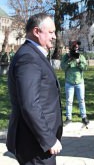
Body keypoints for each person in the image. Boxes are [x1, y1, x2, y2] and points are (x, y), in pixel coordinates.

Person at [6, 13, 63, 165]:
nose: (54, 36)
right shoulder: (29, 58)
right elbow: (30, 104)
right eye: (51, 32)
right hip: (35, 144)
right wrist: (49, 140)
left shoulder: (34, 54)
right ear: (37, 31)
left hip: (37, 143)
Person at [61, 40, 89, 126]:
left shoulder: (81, 57)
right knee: (69, 101)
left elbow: (85, 68)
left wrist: (78, 62)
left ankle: (84, 117)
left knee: (81, 100)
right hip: (69, 82)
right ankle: (68, 118)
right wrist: (69, 60)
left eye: (77, 47)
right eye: (74, 47)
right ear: (71, 48)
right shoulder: (66, 56)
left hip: (79, 82)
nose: (76, 49)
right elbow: (63, 67)